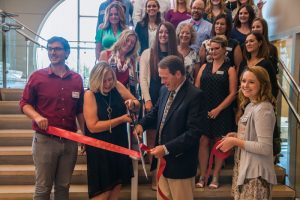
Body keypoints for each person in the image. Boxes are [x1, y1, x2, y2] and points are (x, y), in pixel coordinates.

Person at [19, 36, 85, 199]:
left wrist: (83, 133)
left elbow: (79, 110)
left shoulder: (76, 79)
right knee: (43, 188)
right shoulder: (37, 77)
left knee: (63, 188)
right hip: (45, 140)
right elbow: (24, 104)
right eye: (49, 49)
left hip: (69, 142)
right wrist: (37, 116)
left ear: (67, 53)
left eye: (57, 49)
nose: (52, 52)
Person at [135, 55, 207, 200]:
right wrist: (141, 124)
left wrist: (166, 148)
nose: (162, 82)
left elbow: (193, 133)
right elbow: (155, 113)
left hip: (181, 165)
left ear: (178, 74)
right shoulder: (164, 90)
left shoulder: (195, 95)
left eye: (165, 77)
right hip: (163, 162)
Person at [217, 66, 277, 200]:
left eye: (251, 82)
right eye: (243, 81)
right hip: (245, 169)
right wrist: (236, 136)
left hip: (256, 175)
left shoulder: (263, 109)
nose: (245, 85)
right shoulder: (250, 105)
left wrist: (235, 141)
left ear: (262, 84)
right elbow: (252, 137)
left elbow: (265, 147)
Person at [84, 61, 140, 199]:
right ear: (96, 79)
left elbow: (137, 103)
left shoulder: (117, 86)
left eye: (110, 79)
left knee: (116, 187)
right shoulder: (90, 94)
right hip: (100, 148)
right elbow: (93, 126)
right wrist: (120, 119)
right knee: (102, 193)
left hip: (119, 143)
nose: (108, 83)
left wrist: (132, 103)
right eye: (104, 81)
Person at [139, 21, 181, 190]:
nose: (163, 35)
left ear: (171, 35)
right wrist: (147, 100)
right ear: (157, 35)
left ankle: (166, 174)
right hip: (154, 97)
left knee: (168, 138)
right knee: (152, 139)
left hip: (171, 99)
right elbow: (143, 79)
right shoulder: (148, 53)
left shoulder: (177, 55)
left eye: (166, 32)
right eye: (160, 32)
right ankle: (155, 176)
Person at [195, 36, 237, 189]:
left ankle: (216, 175)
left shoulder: (230, 69)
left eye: (216, 48)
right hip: (204, 110)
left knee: (220, 143)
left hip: (222, 111)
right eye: (211, 49)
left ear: (224, 49)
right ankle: (203, 174)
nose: (213, 51)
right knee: (203, 141)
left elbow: (233, 93)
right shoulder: (204, 67)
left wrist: (218, 109)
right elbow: (197, 87)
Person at [99, 29, 139, 95]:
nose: (129, 44)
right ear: (120, 39)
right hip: (107, 95)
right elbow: (99, 79)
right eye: (127, 40)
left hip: (124, 98)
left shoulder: (132, 61)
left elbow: (134, 84)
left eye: (132, 43)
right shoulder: (105, 54)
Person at [239, 32, 278, 98]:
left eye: (251, 41)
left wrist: (270, 103)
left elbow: (273, 86)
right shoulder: (243, 63)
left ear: (259, 43)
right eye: (246, 42)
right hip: (244, 102)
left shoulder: (266, 64)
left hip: (261, 102)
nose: (248, 44)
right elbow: (239, 84)